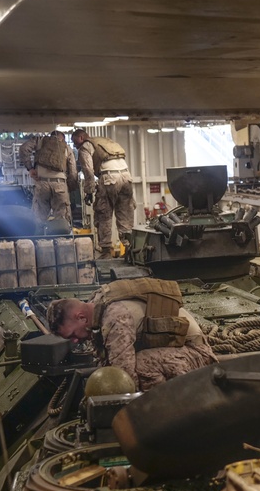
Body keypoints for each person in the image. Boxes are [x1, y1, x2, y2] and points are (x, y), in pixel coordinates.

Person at [46, 278, 217, 391]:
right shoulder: (96, 306)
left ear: (81, 317)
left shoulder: (115, 318)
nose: (75, 340)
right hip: (175, 349)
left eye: (72, 335)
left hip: (196, 354)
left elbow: (125, 378)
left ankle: (161, 410)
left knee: (141, 366)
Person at [71, 128, 136, 258]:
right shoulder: (103, 142)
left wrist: (89, 191)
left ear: (82, 138)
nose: (75, 146)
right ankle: (129, 249)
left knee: (103, 214)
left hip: (109, 178)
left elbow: (88, 171)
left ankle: (106, 251)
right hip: (126, 177)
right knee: (125, 213)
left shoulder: (85, 147)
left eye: (75, 142)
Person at [19, 131, 78, 227]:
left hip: (41, 182)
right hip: (60, 184)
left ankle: (39, 239)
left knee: (38, 218)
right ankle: (63, 240)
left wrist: (30, 168)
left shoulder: (40, 141)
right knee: (62, 221)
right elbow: (73, 172)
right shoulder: (67, 148)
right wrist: (70, 188)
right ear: (62, 139)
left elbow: (23, 148)